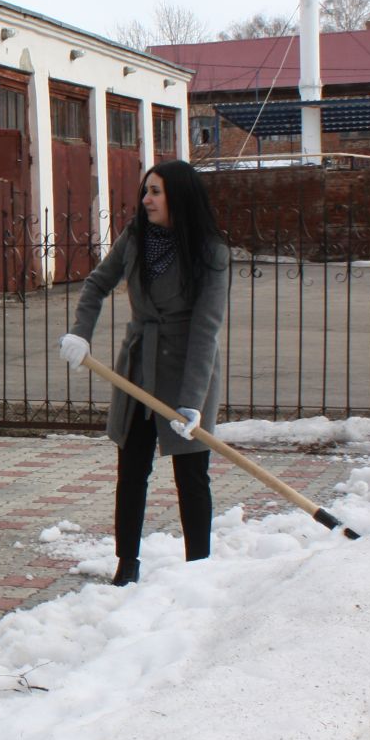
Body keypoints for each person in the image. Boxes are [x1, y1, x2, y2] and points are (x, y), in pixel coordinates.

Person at [59, 161, 230, 587]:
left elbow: (207, 328)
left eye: (155, 192)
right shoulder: (135, 238)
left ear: (179, 196)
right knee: (132, 469)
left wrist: (191, 401)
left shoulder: (210, 251)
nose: (146, 200)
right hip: (137, 367)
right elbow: (97, 285)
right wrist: (81, 334)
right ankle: (127, 563)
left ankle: (199, 567)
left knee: (191, 474)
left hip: (187, 368)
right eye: (145, 191)